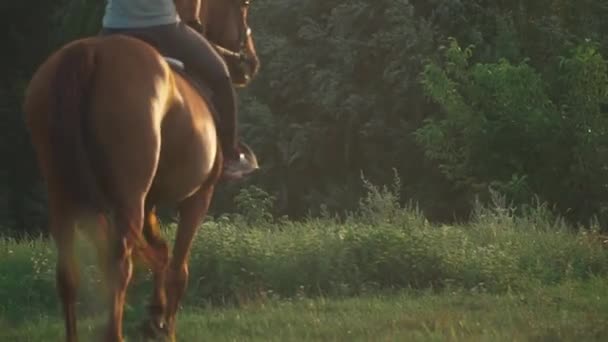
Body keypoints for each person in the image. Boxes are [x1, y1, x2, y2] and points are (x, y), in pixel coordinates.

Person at [99, 0, 258, 180]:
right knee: (221, 77)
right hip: (163, 28)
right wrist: (192, 22)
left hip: (112, 27)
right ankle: (229, 156)